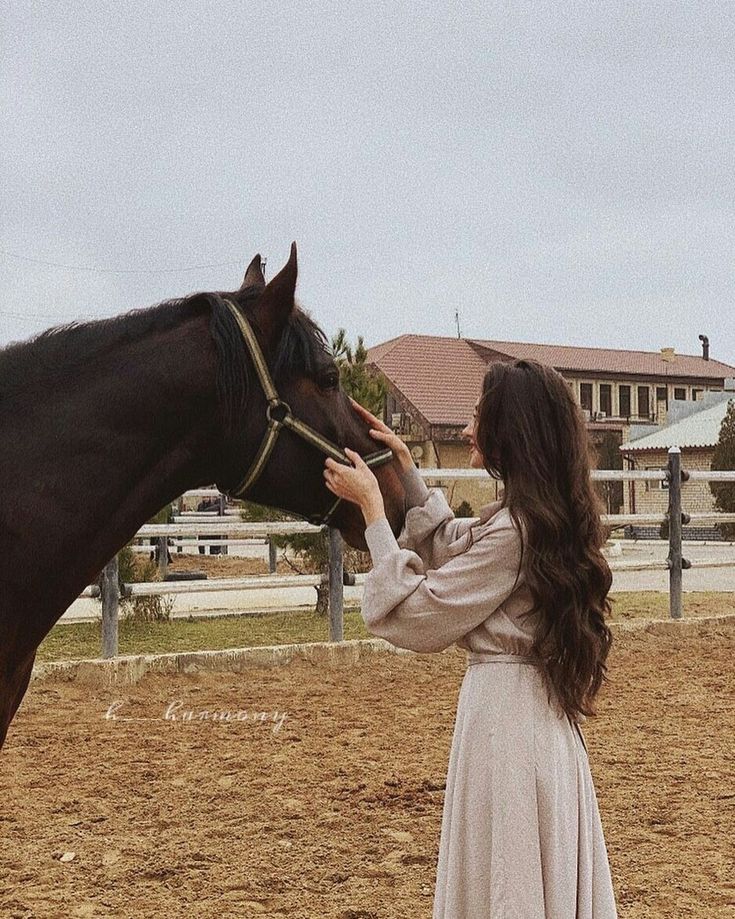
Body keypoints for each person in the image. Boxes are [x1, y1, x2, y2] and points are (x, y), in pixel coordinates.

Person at [324, 364, 618, 918]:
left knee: (507, 874)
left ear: (511, 429)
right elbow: (459, 548)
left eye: (480, 416)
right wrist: (408, 475)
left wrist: (371, 512)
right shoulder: (531, 521)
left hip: (508, 728)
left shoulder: (516, 532)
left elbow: (420, 613)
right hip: (532, 721)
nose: (467, 429)